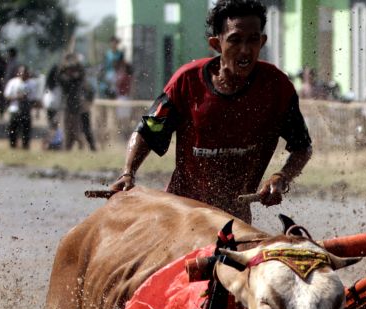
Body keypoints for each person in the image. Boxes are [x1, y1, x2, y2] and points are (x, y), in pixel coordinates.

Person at [108, 0, 313, 223]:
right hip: (183, 215)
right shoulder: (187, 82)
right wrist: (128, 172)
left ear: (262, 42)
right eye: (235, 40)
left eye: (253, 40)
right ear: (216, 44)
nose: (245, 50)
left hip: (236, 220)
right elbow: (147, 131)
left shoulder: (276, 87)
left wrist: (281, 177)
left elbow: (303, 148)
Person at [4, 65, 35, 148]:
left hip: (26, 110)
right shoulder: (13, 82)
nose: (23, 74)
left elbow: (34, 99)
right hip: (14, 109)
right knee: (13, 130)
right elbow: (7, 96)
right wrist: (17, 97)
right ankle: (12, 146)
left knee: (26, 131)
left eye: (25, 72)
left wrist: (27, 99)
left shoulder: (31, 83)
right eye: (22, 72)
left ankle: (25, 147)